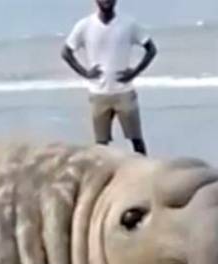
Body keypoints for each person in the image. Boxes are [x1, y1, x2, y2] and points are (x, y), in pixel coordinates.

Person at [61, 0, 158, 155]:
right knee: (101, 145)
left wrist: (134, 72)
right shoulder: (85, 25)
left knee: (136, 140)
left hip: (124, 92)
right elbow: (66, 52)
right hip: (98, 93)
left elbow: (151, 50)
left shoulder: (129, 24)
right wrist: (85, 73)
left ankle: (147, 174)